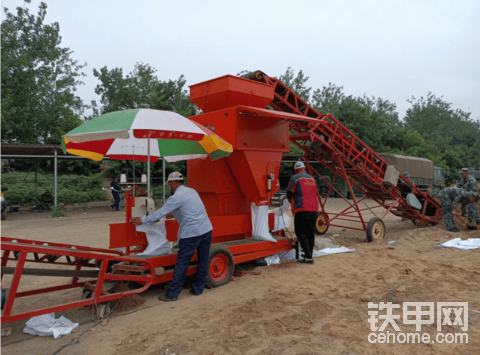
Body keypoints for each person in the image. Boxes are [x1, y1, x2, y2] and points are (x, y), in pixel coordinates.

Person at [130, 171, 213, 302]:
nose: (169, 187)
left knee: (181, 264)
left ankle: (172, 294)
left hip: (192, 233)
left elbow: (160, 213)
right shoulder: (192, 191)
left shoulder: (176, 197)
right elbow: (192, 209)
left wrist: (142, 221)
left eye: (169, 184)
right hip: (206, 229)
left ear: (173, 183)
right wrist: (174, 214)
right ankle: (198, 289)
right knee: (203, 260)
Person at [286, 161, 319, 264]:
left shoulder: (295, 178)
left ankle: (308, 257)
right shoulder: (312, 179)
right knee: (310, 232)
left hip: (302, 208)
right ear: (304, 168)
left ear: (295, 170)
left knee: (300, 232)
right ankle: (308, 253)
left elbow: (289, 193)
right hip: (314, 208)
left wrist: (290, 200)